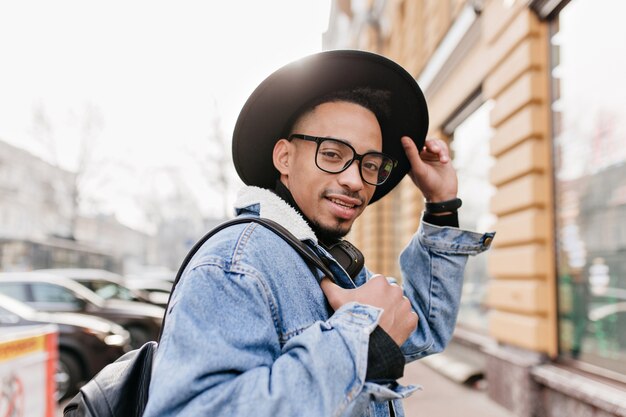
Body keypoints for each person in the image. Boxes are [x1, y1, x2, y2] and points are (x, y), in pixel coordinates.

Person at [143, 50, 494, 417]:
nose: (355, 180)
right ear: (284, 158)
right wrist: (362, 343)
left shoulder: (323, 258)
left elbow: (418, 326)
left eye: (370, 164)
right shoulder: (237, 263)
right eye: (331, 154)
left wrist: (441, 206)